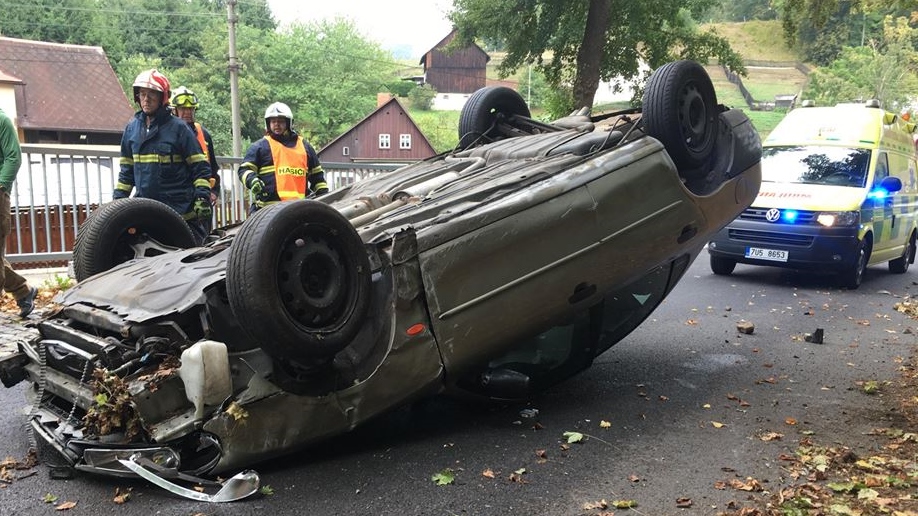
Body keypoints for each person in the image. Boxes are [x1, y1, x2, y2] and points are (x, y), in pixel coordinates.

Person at [114, 69, 212, 244]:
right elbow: (126, 173)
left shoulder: (179, 129)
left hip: (182, 214)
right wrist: (117, 203)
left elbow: (200, 168)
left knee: (190, 263)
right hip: (147, 213)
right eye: (142, 94)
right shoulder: (132, 129)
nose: (146, 99)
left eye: (152, 94)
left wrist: (202, 197)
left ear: (163, 97)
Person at [237, 102, 329, 212]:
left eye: (280, 121)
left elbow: (317, 177)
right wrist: (252, 180)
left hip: (299, 209)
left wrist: (325, 199)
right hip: (267, 210)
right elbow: (244, 169)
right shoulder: (260, 147)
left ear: (289, 123)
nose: (276, 124)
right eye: (273, 121)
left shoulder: (305, 147)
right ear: (268, 123)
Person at [0, 107, 38, 317]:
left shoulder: (2, 121)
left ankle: (23, 291)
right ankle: (23, 291)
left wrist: (1, 187)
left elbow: (13, 158)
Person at [171, 86, 220, 233]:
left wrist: (214, 191)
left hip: (202, 197)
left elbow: (213, 168)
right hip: (179, 198)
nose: (187, 113)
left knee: (203, 240)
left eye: (191, 109)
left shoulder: (203, 134)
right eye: (183, 109)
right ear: (174, 110)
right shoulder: (168, 133)